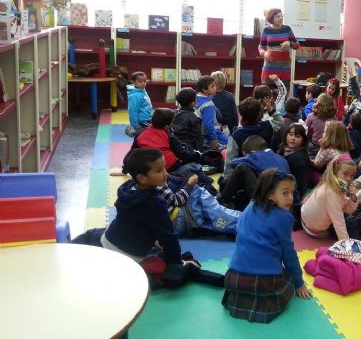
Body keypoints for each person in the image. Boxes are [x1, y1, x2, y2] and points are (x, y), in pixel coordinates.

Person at [74, 148, 224, 290]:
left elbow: (136, 222)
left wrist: (153, 240)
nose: (165, 173)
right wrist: (177, 263)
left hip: (108, 239)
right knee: (167, 271)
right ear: (142, 178)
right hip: (129, 256)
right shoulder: (155, 203)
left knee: (89, 235)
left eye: (164, 168)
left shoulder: (127, 188)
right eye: (159, 170)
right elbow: (169, 237)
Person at [222, 168, 312, 323]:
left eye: (292, 192)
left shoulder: (250, 206)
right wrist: (299, 284)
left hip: (234, 279)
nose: (291, 198)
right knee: (288, 277)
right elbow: (288, 254)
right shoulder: (284, 217)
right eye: (285, 193)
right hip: (264, 283)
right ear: (270, 194)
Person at [219, 135, 290, 211]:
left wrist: (248, 158)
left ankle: (223, 200)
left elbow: (233, 163)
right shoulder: (280, 158)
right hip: (283, 197)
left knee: (242, 167)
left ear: (252, 153)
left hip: (267, 201)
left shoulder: (255, 156)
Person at [301, 155, 359, 240]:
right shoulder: (332, 192)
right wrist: (345, 243)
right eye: (345, 174)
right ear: (335, 171)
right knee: (351, 222)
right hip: (314, 230)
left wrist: (353, 197)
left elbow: (347, 209)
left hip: (306, 220)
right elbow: (338, 221)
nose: (349, 179)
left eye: (352, 175)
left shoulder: (334, 183)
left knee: (349, 219)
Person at [223, 97, 283, 178]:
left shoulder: (237, 134)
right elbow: (280, 121)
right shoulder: (267, 126)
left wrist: (226, 179)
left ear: (241, 114)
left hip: (246, 173)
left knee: (224, 152)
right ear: (259, 113)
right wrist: (271, 109)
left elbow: (230, 160)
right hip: (267, 171)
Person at [258, 8, 299, 87]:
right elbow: (260, 48)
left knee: (282, 95)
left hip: (284, 70)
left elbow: (297, 45)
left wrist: (289, 43)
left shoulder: (287, 29)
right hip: (269, 69)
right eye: (277, 16)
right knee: (268, 96)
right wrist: (265, 53)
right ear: (271, 18)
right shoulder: (266, 30)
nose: (281, 18)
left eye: (281, 16)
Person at [279, 123, 311, 206]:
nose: (293, 138)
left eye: (297, 136)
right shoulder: (286, 149)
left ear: (303, 140)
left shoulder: (298, 158)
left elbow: (300, 183)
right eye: (291, 134)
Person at [195, 75, 227, 148]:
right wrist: (213, 139)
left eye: (215, 85)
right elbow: (209, 124)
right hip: (213, 133)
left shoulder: (197, 98)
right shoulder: (208, 105)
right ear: (204, 90)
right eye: (212, 86)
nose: (215, 88)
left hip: (201, 133)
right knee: (231, 143)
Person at [172, 87, 206, 151]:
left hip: (174, 146)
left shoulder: (173, 113)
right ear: (193, 103)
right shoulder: (194, 118)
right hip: (189, 149)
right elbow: (199, 138)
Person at [126, 71, 152, 136]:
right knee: (153, 131)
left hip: (148, 117)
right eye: (140, 81)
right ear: (133, 82)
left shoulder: (142, 91)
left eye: (144, 81)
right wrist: (136, 125)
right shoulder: (135, 96)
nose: (143, 83)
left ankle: (134, 128)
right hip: (142, 120)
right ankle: (133, 130)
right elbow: (132, 111)